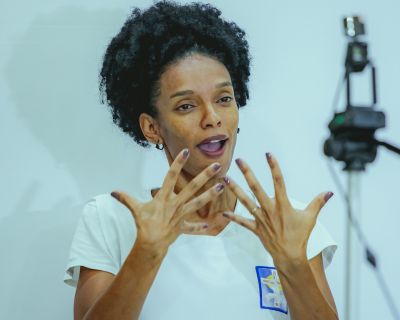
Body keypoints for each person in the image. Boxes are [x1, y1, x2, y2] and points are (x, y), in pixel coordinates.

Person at [64, 1, 338, 319]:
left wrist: (293, 264)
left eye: (224, 99)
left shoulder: (285, 222)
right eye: (186, 106)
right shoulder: (111, 219)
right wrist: (146, 253)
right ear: (152, 128)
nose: (212, 118)